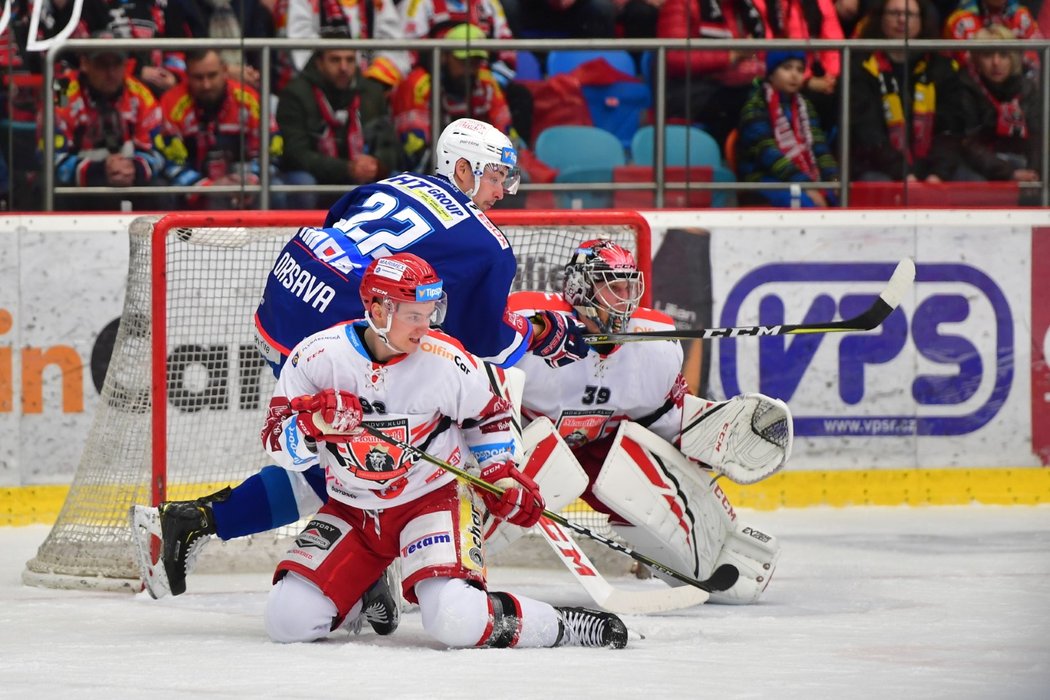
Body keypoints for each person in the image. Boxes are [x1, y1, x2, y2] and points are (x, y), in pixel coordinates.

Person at [129, 118, 587, 603]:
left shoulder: (394, 182)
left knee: (336, 451)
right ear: (465, 169)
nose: (504, 189)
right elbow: (486, 342)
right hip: (328, 332)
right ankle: (202, 523)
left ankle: (332, 563)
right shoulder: (488, 243)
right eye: (496, 175)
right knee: (376, 449)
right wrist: (541, 332)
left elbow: (341, 231)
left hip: (283, 303)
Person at [262, 252, 628, 647]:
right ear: (378, 309)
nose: (425, 328)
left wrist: (501, 472)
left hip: (431, 502)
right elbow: (278, 444)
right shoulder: (318, 356)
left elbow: (490, 417)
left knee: (456, 620)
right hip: (352, 509)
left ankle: (564, 625)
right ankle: (363, 590)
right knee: (288, 623)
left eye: (431, 313)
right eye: (413, 316)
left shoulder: (447, 359)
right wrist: (315, 424)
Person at [498, 239, 790, 605]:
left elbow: (664, 420)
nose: (625, 298)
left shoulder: (656, 346)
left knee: (636, 478)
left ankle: (713, 557)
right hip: (522, 436)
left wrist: (707, 432)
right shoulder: (531, 329)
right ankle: (449, 563)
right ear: (581, 288)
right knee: (507, 481)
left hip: (599, 444)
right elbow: (479, 394)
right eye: (613, 287)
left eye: (629, 287)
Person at [158, 48, 310, 209]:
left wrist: (251, 178)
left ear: (224, 71)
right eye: (198, 78)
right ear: (187, 76)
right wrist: (208, 186)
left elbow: (272, 149)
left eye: (212, 75)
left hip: (246, 181)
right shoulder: (171, 103)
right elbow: (170, 162)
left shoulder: (248, 99)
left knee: (297, 184)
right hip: (198, 186)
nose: (206, 85)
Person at [275, 29, 403, 209]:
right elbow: (296, 155)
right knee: (302, 184)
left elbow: (389, 145)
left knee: (398, 181)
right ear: (319, 62)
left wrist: (376, 165)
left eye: (350, 60)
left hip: (362, 174)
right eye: (335, 60)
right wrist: (347, 169)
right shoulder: (295, 93)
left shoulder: (371, 92)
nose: (344, 67)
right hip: (314, 177)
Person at [848, 0, 963, 182]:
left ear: (922, 20)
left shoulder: (941, 67)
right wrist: (905, 175)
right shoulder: (859, 67)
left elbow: (950, 130)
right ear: (881, 18)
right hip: (878, 167)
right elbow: (867, 134)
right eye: (894, 13)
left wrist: (938, 174)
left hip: (934, 167)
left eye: (909, 15)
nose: (902, 20)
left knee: (974, 182)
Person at [49, 36, 168, 211]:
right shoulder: (61, 89)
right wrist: (99, 171)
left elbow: (157, 152)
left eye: (117, 64)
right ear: (84, 63)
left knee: (161, 188)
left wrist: (134, 168)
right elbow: (50, 157)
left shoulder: (141, 93)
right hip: (80, 183)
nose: (110, 72)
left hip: (128, 177)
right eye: (102, 64)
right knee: (50, 185)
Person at [391, 23, 515, 171]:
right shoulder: (418, 84)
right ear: (445, 56)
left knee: (517, 176)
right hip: (424, 170)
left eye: (475, 62)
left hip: (476, 167)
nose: (470, 69)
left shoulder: (485, 80)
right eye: (463, 61)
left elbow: (508, 138)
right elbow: (415, 152)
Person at [736, 50, 840, 208]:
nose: (794, 75)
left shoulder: (805, 106)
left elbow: (819, 147)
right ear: (771, 74)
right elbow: (768, 155)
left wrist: (834, 179)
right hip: (762, 177)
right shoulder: (755, 106)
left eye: (799, 70)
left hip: (803, 176)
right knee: (806, 203)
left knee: (839, 196)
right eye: (787, 68)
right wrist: (806, 186)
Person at [956, 25, 1042, 189]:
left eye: (1003, 55)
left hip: (1021, 161)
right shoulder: (964, 85)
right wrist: (1009, 173)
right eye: (988, 55)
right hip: (979, 164)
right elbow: (968, 143)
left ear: (1013, 59)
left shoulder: (1027, 88)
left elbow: (1037, 138)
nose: (996, 62)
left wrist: (1034, 172)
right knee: (977, 185)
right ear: (977, 59)